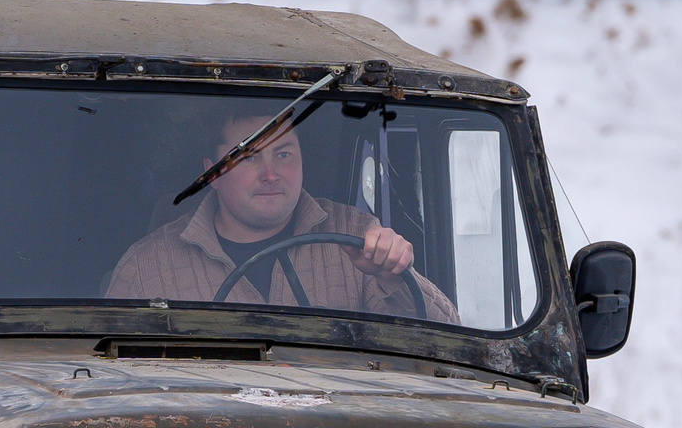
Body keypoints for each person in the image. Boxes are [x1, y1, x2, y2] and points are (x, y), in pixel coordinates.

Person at [102, 113, 456, 321]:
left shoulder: (358, 237)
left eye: (284, 154)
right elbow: (109, 377)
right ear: (212, 175)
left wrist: (394, 274)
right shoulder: (147, 268)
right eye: (249, 158)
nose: (271, 174)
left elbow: (448, 339)